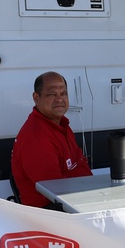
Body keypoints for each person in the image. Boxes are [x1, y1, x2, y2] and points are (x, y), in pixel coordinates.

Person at [11, 71, 92, 208]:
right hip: (51, 212)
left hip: (74, 201)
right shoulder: (37, 137)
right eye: (52, 94)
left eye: (64, 94)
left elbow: (80, 165)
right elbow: (56, 192)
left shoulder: (61, 125)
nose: (60, 99)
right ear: (36, 98)